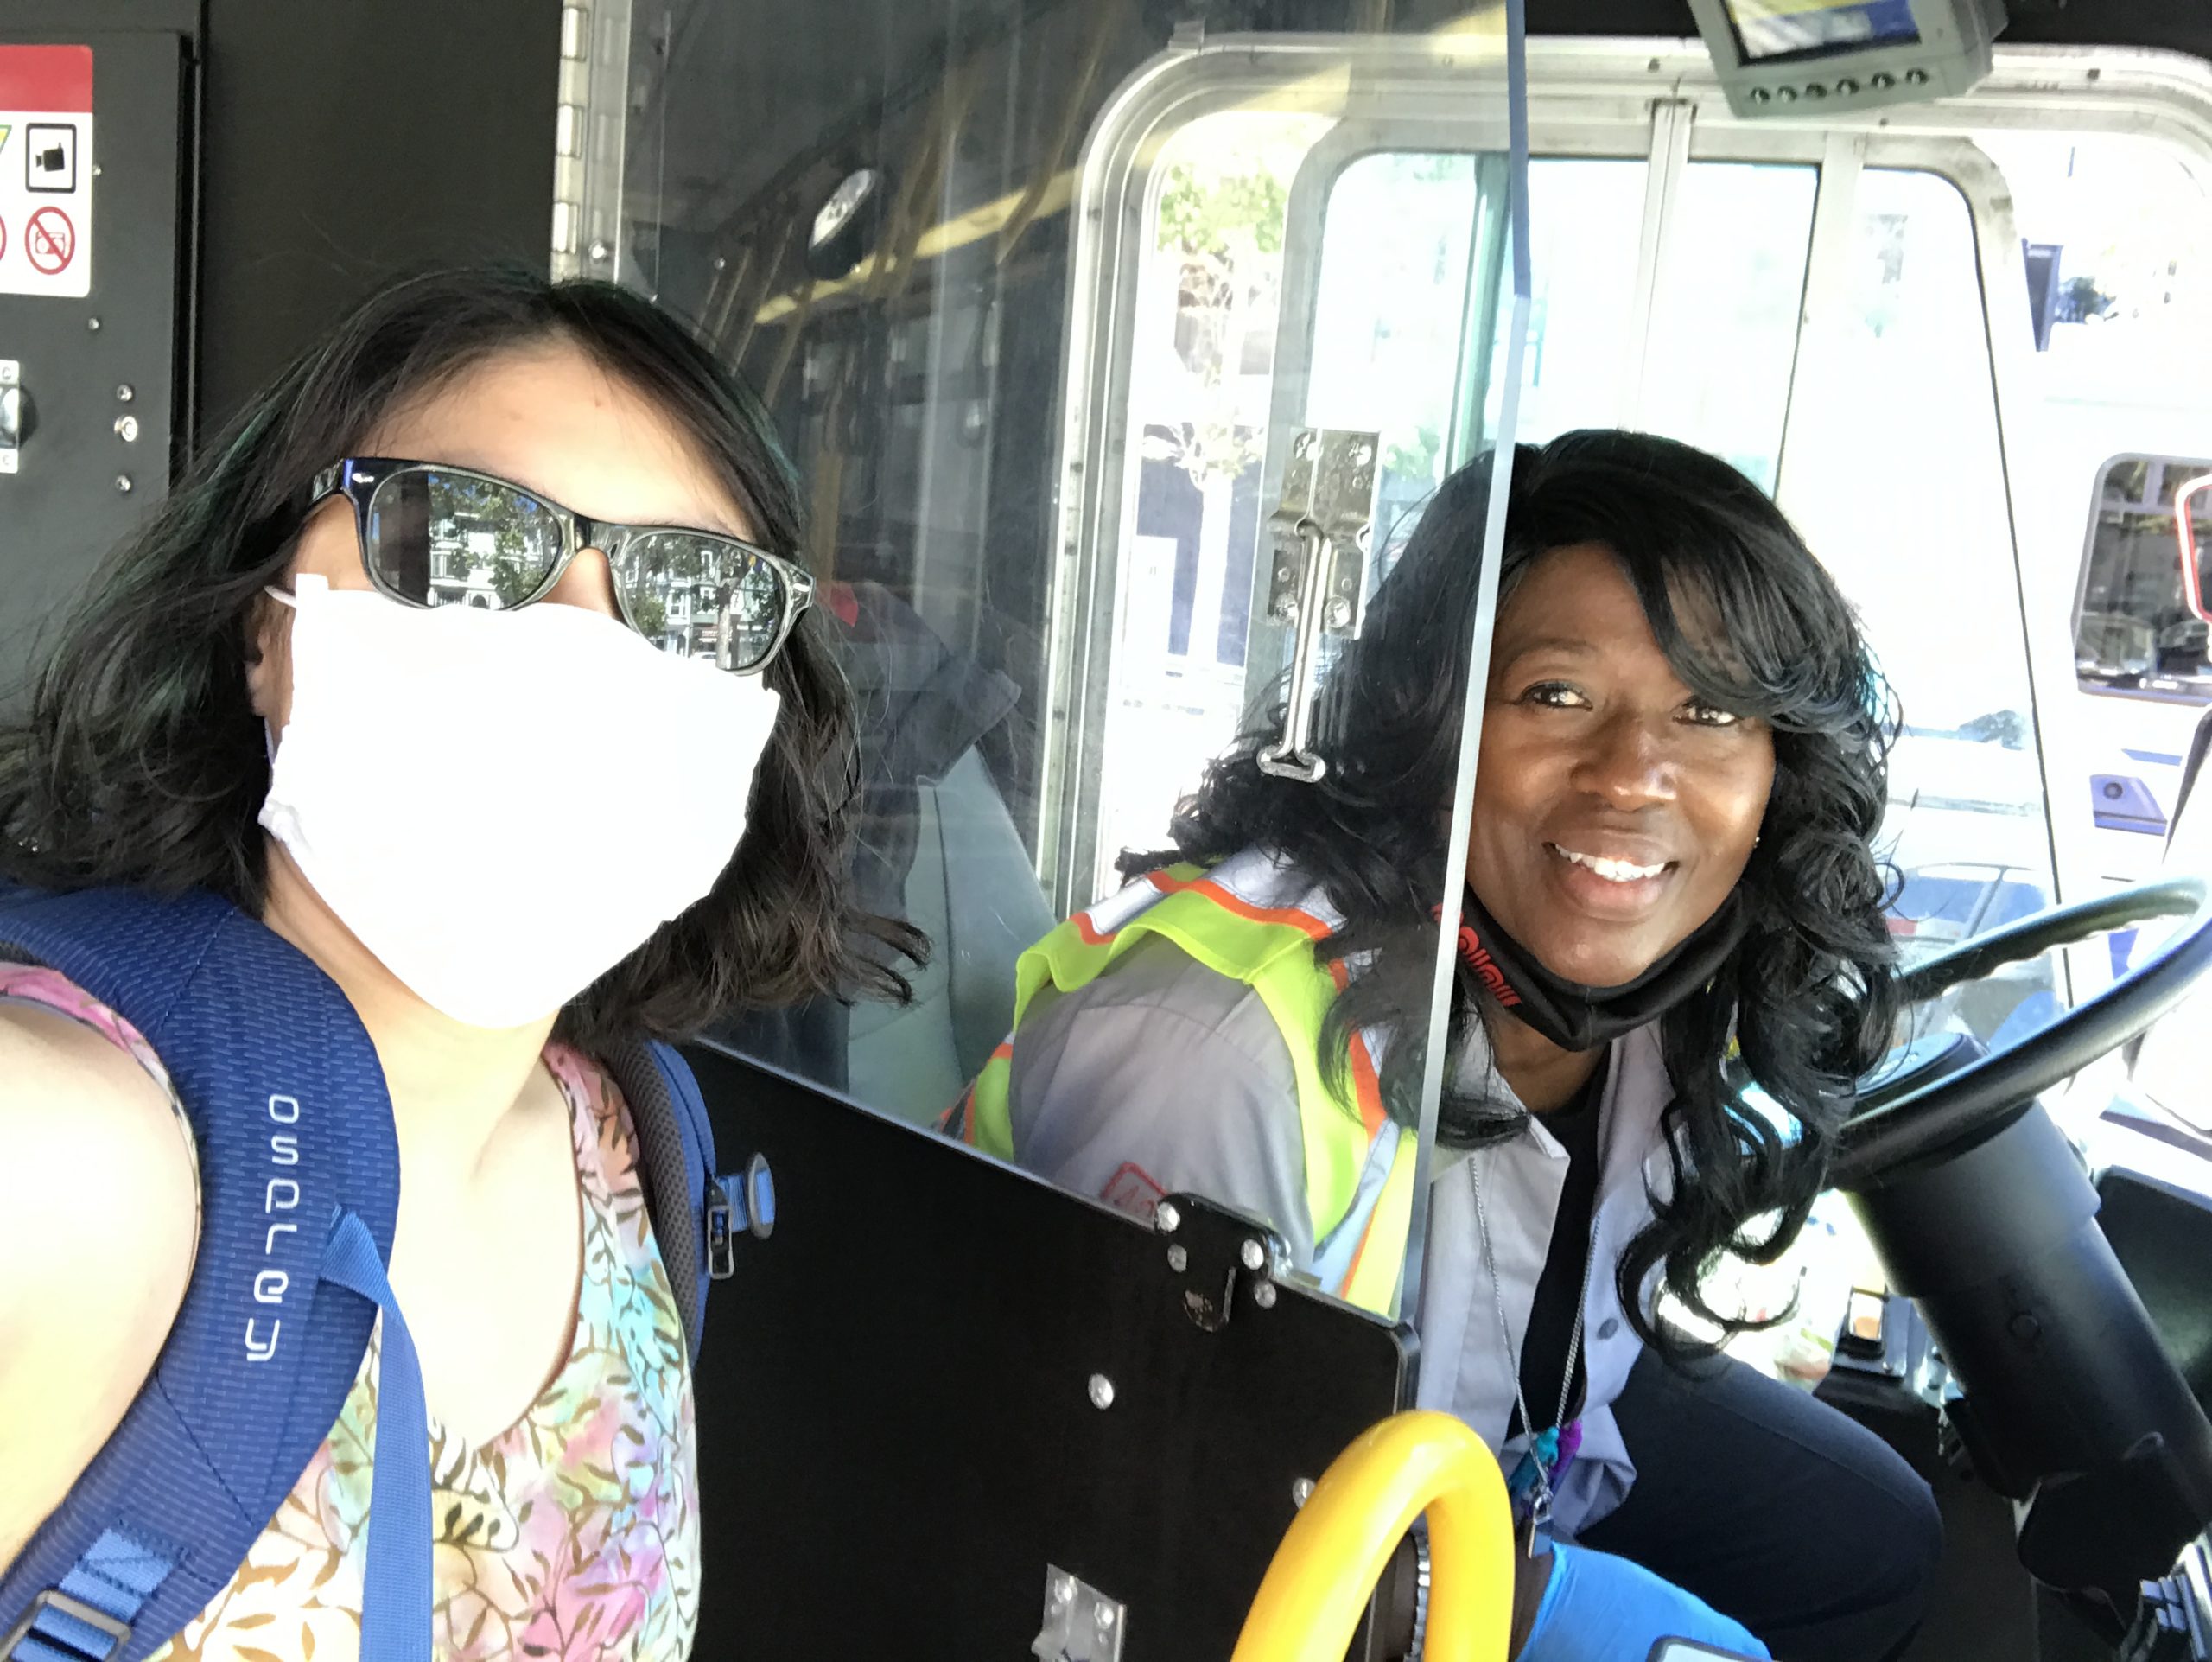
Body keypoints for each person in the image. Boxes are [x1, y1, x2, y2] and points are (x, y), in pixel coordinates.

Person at [0, 268, 913, 1660]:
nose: (583, 658)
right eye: (459, 546)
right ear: (265, 630)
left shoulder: (637, 1145)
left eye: (688, 598)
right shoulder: (72, 1164)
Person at [950, 430, 1942, 1660]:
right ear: (1433, 732)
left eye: (1712, 710)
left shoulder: (1674, 975)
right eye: (1556, 697)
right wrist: (1527, 1610)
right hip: (1270, 1570)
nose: (1635, 776)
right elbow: (1134, 1553)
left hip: (1515, 1450)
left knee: (1875, 1531)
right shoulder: (1221, 1051)